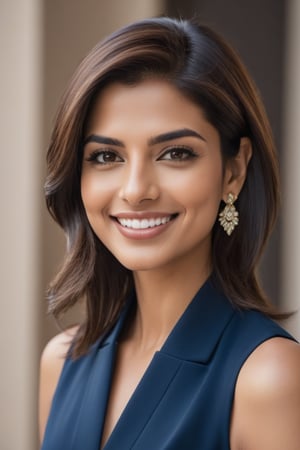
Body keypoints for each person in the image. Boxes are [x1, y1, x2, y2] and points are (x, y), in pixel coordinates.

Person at [39, 17, 300, 450]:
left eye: (176, 153)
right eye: (106, 156)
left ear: (233, 170)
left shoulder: (269, 379)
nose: (137, 190)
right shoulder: (62, 362)